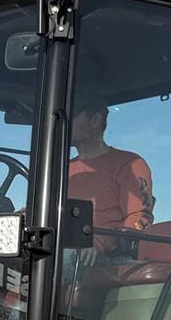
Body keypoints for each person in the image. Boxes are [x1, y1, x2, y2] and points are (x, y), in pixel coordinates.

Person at [66, 102, 153, 241]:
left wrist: (99, 243)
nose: (64, 123)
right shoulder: (60, 171)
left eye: (71, 116)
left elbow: (139, 218)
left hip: (105, 253)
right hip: (60, 247)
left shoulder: (129, 164)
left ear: (96, 120)